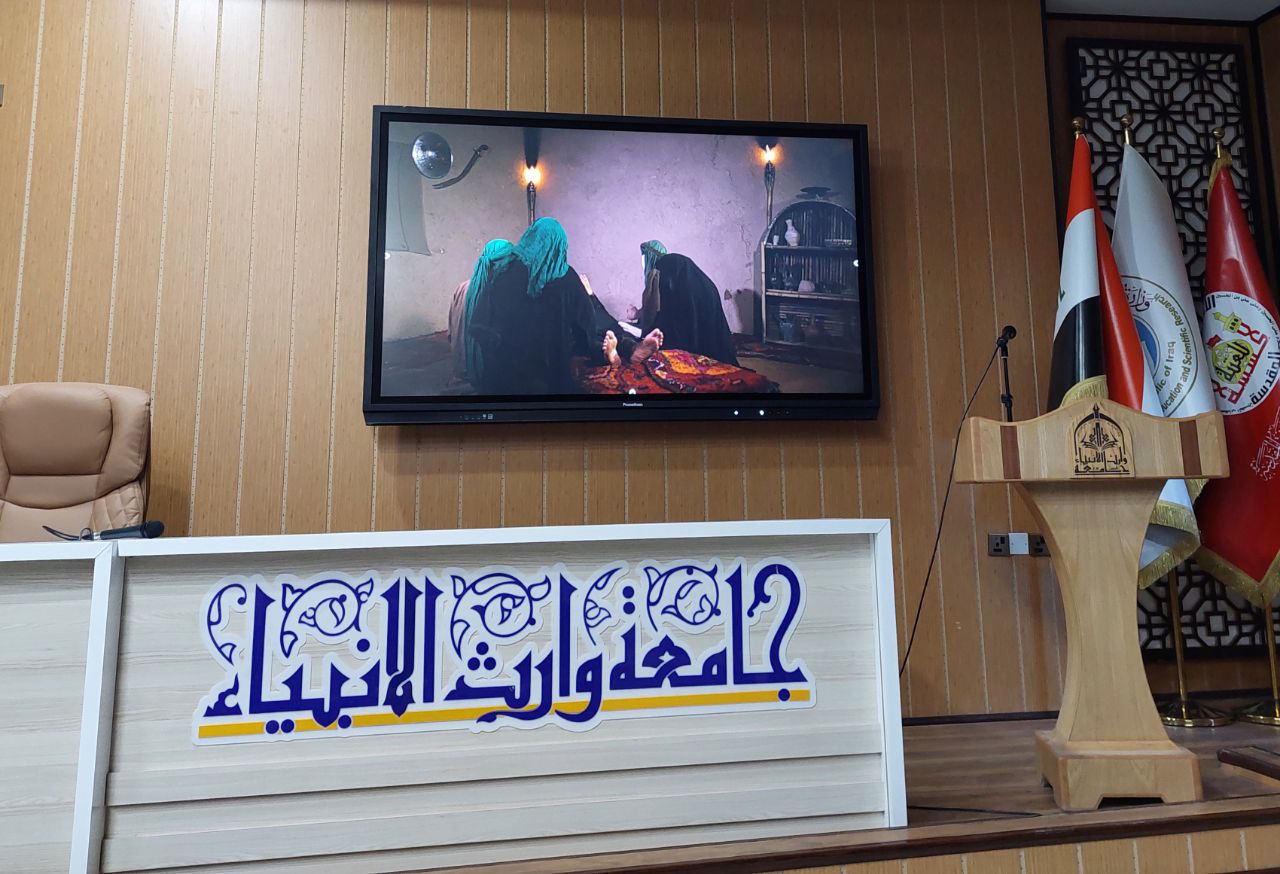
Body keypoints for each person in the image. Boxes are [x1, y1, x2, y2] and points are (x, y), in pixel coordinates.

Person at [468, 218, 661, 395]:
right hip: (550, 379)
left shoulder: (503, 273)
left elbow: (479, 325)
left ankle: (623, 348)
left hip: (500, 381)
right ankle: (624, 349)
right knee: (597, 326)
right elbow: (586, 326)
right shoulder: (566, 277)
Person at [637, 241, 738, 365]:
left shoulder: (661, 271)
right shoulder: (685, 272)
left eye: (644, 257)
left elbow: (661, 316)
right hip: (714, 344)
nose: (642, 263)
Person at [458, 239, 515, 388]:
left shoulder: (463, 288)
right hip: (495, 373)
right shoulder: (503, 291)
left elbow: (453, 328)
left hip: (464, 366)